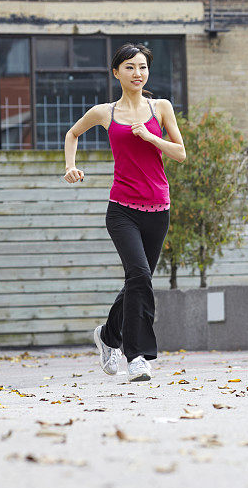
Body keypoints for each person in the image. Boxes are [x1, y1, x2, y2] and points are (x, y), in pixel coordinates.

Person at [63, 43, 186, 382]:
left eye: (143, 67)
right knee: (139, 276)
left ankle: (107, 336)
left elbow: (180, 153)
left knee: (138, 280)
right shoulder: (104, 112)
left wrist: (151, 138)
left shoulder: (161, 107)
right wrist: (71, 166)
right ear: (117, 72)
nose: (137, 73)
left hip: (158, 208)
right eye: (130, 67)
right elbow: (72, 134)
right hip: (122, 210)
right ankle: (138, 356)